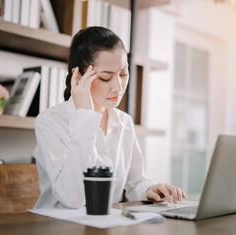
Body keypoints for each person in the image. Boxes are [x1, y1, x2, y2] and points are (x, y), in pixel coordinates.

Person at [33, 26, 186, 209]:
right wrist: (86, 117)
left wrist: (149, 189)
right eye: (106, 77)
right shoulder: (50, 122)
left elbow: (135, 183)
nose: (118, 87)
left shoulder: (124, 123)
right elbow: (73, 199)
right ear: (79, 76)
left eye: (123, 74)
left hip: (104, 228)